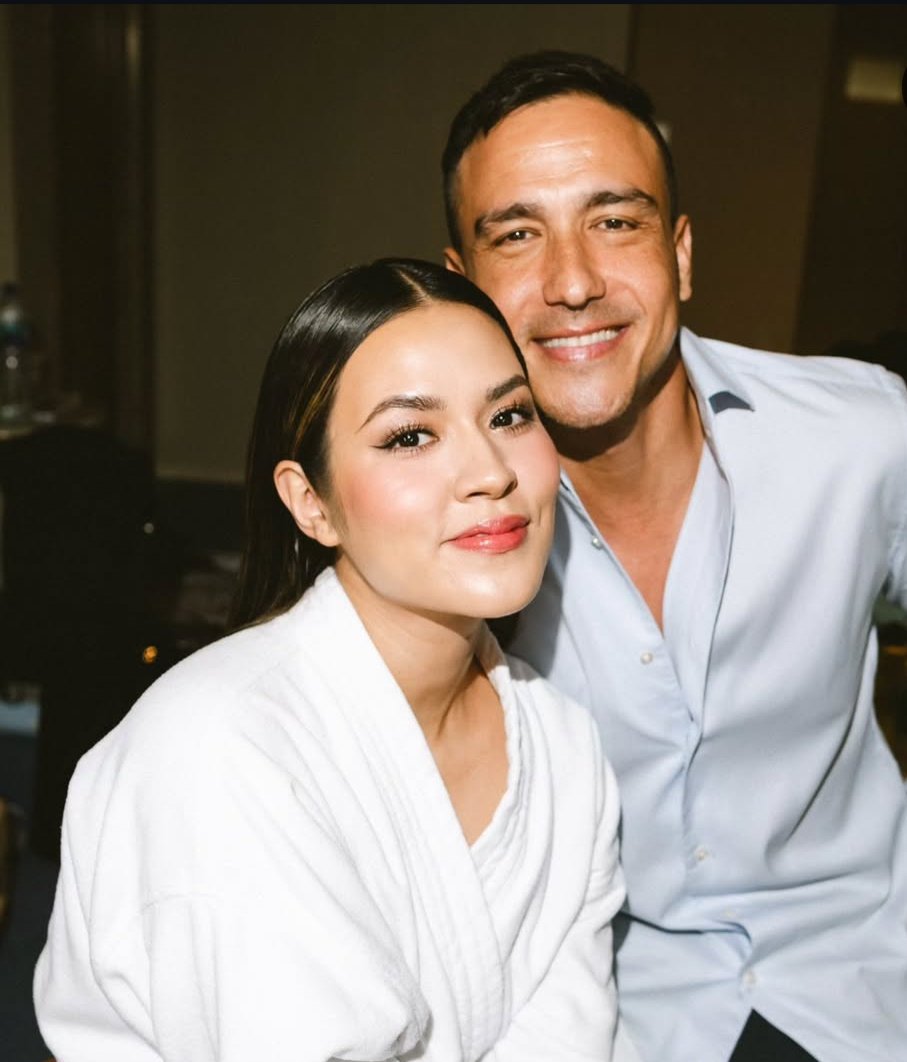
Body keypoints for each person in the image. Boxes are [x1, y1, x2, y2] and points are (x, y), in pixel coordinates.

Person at [33, 259, 628, 1061]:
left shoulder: (562, 746)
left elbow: (572, 1039)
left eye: (510, 415)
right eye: (410, 436)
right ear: (311, 503)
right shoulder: (216, 749)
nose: (491, 473)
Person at [441, 50, 907, 1062]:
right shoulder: (434, 528)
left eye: (615, 221)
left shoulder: (863, 436)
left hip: (870, 986)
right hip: (611, 1018)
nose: (572, 282)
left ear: (680, 255)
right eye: (516, 234)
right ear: (460, 286)